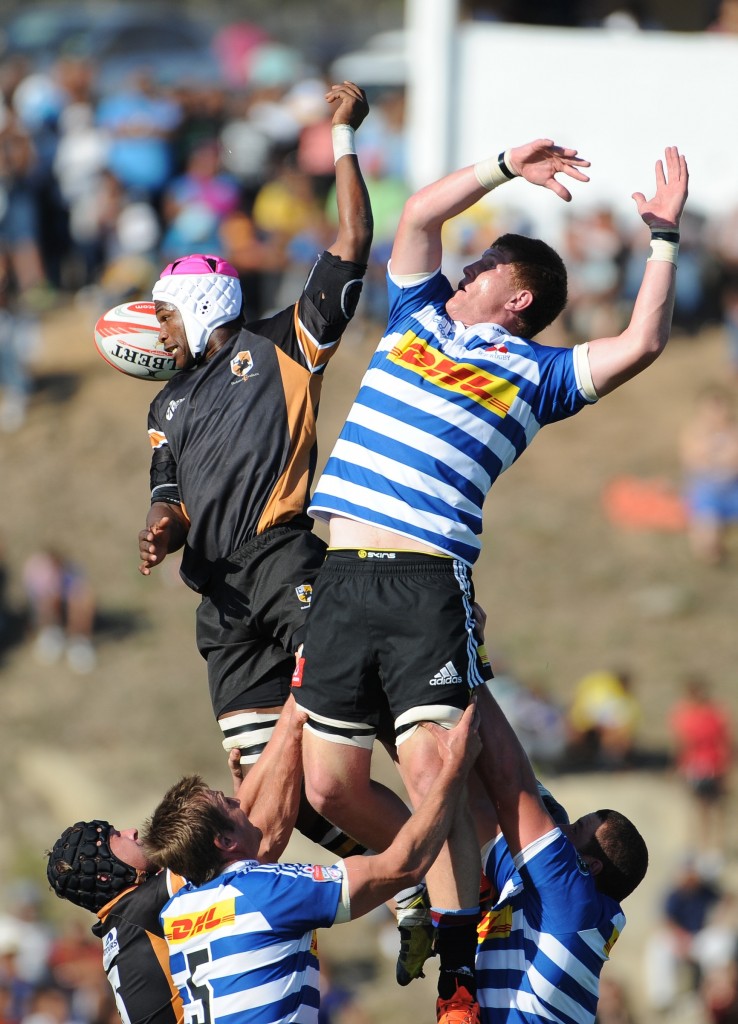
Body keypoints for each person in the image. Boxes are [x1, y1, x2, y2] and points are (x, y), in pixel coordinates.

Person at [292, 139, 687, 1022]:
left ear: (514, 298)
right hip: (344, 571)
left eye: (480, 268)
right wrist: (508, 166)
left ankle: (458, 965)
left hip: (427, 577)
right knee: (329, 789)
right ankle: (415, 886)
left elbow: (642, 342)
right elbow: (421, 213)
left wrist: (661, 240)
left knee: (437, 764)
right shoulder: (416, 317)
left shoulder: (537, 377)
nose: (458, 270)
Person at [136, 82, 373, 859]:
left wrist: (342, 139)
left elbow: (352, 239)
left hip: (281, 557)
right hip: (221, 600)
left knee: (356, 721)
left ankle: (465, 846)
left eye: (165, 313)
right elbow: (167, 497)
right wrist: (160, 531)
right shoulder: (164, 407)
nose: (158, 331)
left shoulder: (282, 344)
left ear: (202, 302)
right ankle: (411, 876)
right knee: (270, 797)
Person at [140, 704, 480, 1024]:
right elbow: (404, 865)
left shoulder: (178, 909)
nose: (238, 801)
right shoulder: (269, 891)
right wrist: (455, 767)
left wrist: (292, 718)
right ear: (225, 843)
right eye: (227, 803)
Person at [45, 697, 307, 1024]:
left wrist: (238, 797)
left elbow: (238, 846)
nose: (131, 832)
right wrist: (295, 715)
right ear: (103, 876)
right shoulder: (141, 908)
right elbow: (250, 840)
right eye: (116, 837)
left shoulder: (124, 924)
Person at [471, 683, 649, 1024]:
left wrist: (472, 670)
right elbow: (481, 805)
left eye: (577, 830)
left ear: (590, 867)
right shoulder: (534, 892)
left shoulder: (575, 904)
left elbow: (511, 784)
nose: (563, 831)